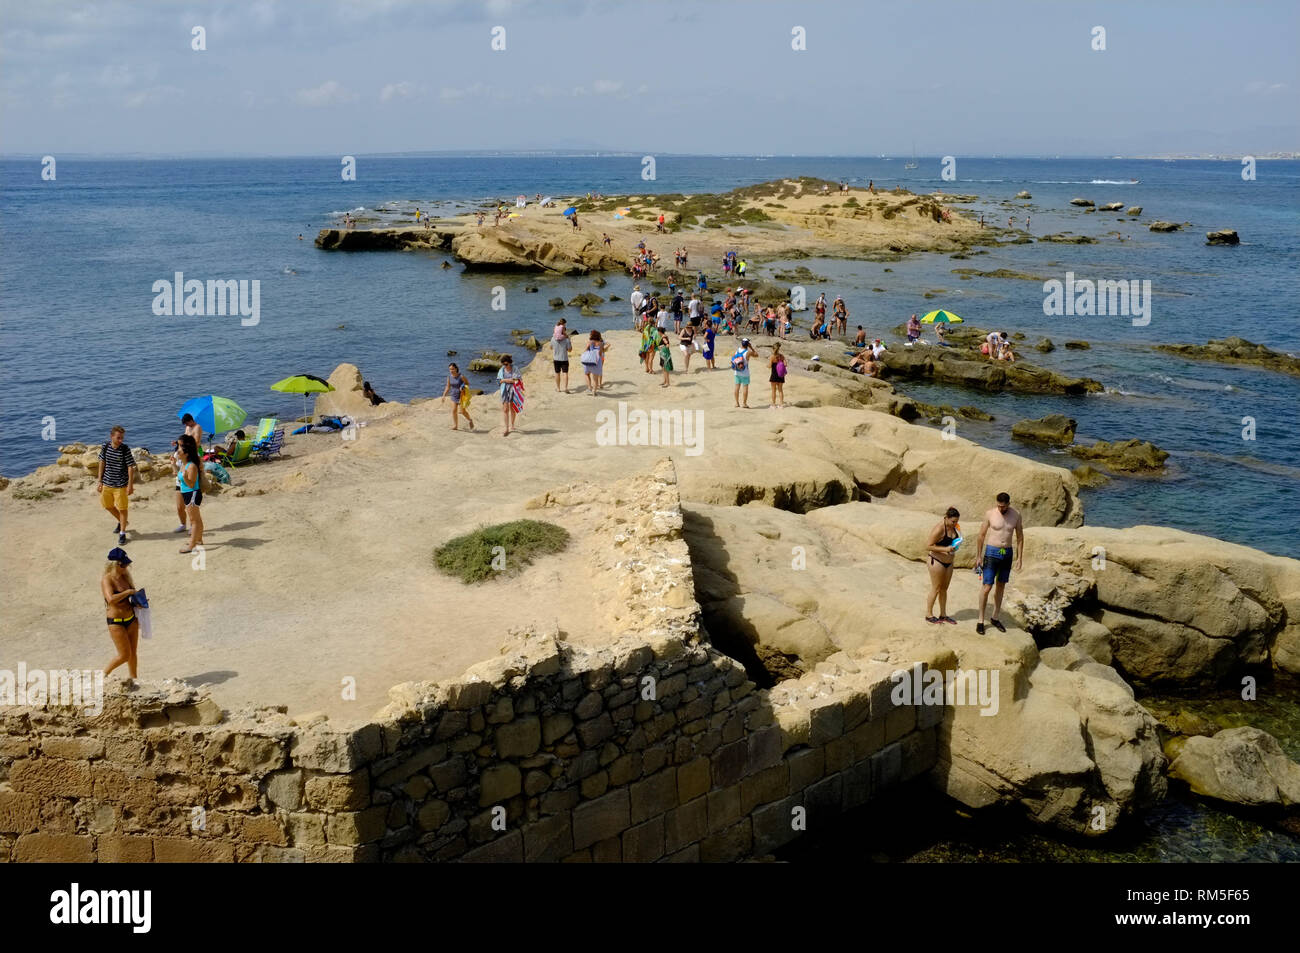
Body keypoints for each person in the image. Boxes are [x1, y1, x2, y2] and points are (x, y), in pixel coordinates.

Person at [975, 492, 1023, 634]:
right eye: (999, 506)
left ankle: (995, 617)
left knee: (1001, 585)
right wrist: (978, 556)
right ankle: (980, 620)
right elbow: (981, 535)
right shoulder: (990, 514)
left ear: (1008, 503)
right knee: (987, 586)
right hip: (991, 552)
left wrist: (1020, 558)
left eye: (1003, 506)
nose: (1001, 508)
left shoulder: (1016, 514)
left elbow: (1020, 537)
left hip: (1006, 553)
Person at [102, 547, 141, 683]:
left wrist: (139, 602)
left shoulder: (125, 577)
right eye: (124, 565)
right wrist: (128, 592)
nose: (126, 567)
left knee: (133, 654)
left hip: (131, 619)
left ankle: (134, 679)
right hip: (116, 621)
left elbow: (131, 596)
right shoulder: (107, 579)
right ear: (115, 564)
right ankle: (103, 674)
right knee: (124, 655)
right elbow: (111, 599)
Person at [96, 425, 137, 547]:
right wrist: (99, 481)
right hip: (107, 482)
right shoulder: (105, 446)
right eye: (118, 438)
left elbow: (130, 467)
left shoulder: (125, 449)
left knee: (123, 508)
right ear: (111, 436)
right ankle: (122, 521)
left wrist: (130, 485)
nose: (121, 440)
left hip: (120, 484)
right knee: (107, 505)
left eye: (122, 438)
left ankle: (122, 532)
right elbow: (101, 462)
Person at [924, 508, 961, 624]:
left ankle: (943, 615)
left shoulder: (955, 527)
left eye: (956, 521)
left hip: (949, 563)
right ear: (946, 518)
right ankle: (929, 614)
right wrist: (945, 549)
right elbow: (928, 546)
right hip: (936, 561)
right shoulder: (939, 529)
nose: (955, 524)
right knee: (936, 588)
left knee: (944, 589)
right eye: (953, 521)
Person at [177, 435, 204, 554]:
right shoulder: (184, 464)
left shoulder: (191, 466)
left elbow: (192, 484)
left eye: (180, 449)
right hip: (186, 493)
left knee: (194, 520)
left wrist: (184, 477)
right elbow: (178, 476)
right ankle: (199, 540)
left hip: (192, 493)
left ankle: (192, 545)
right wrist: (174, 465)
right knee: (196, 518)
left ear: (186, 453)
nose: (178, 450)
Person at [441, 363, 475, 430]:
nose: (451, 370)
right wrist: (444, 395)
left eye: (452, 369)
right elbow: (447, 387)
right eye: (450, 369)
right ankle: (455, 426)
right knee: (454, 410)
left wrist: (462, 386)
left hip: (462, 396)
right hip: (454, 395)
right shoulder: (449, 377)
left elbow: (467, 383)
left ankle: (470, 420)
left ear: (456, 369)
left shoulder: (461, 376)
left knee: (462, 411)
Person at [497, 355, 523, 434]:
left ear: (510, 363)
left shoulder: (515, 369)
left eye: (506, 364)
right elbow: (498, 381)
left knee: (512, 409)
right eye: (504, 364)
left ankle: (512, 425)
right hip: (504, 390)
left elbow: (517, 380)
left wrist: (504, 380)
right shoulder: (501, 370)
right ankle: (506, 428)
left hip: (513, 390)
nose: (505, 366)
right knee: (505, 409)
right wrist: (508, 380)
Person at [732, 338, 757, 408]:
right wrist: (751, 347)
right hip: (745, 372)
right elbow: (756, 354)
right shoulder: (748, 352)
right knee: (745, 387)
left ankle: (737, 403)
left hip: (737, 372)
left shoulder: (737, 351)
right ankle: (744, 403)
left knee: (737, 387)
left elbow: (733, 359)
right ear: (747, 344)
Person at [550, 319, 573, 393]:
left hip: (556, 358)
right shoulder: (566, 339)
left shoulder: (553, 338)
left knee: (557, 373)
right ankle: (566, 388)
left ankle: (558, 388)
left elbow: (551, 347)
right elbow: (570, 350)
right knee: (565, 373)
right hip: (564, 359)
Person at [769, 343, 787, 408]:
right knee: (780, 390)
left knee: (773, 390)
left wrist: (767, 366)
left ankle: (773, 404)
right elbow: (785, 364)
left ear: (773, 349)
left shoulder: (772, 357)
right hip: (781, 376)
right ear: (779, 349)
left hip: (774, 375)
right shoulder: (782, 356)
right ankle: (781, 404)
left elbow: (770, 366)